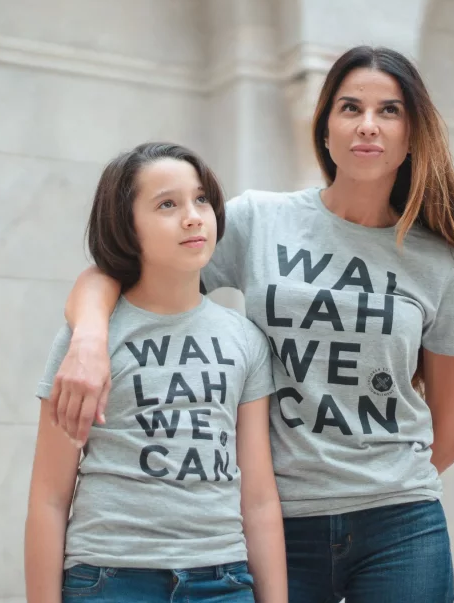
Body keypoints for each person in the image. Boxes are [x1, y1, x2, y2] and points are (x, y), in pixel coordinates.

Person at [49, 47, 454, 603]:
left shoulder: (437, 261)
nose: (367, 125)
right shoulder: (257, 219)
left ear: (412, 136)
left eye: (390, 111)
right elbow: (117, 272)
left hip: (400, 526)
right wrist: (90, 338)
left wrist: (373, 479)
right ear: (325, 129)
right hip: (281, 521)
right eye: (350, 107)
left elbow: (451, 434)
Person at [24, 142, 288, 603]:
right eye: (168, 203)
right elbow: (48, 498)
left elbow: (260, 497)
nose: (192, 216)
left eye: (201, 199)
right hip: (110, 576)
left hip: (223, 579)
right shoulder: (88, 341)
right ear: (127, 226)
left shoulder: (245, 340)